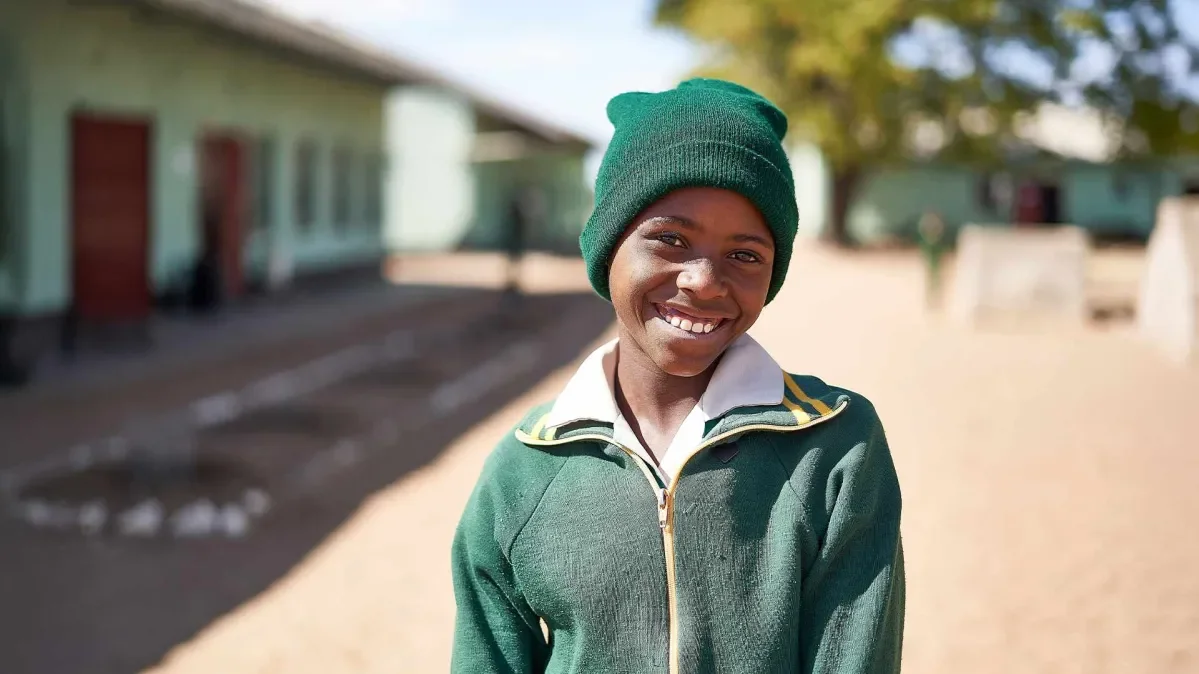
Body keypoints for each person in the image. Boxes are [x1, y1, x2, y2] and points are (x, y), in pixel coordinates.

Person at [451, 78, 905, 674]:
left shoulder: (835, 448)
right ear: (608, 245)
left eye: (744, 254)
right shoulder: (525, 472)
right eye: (670, 239)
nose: (704, 280)